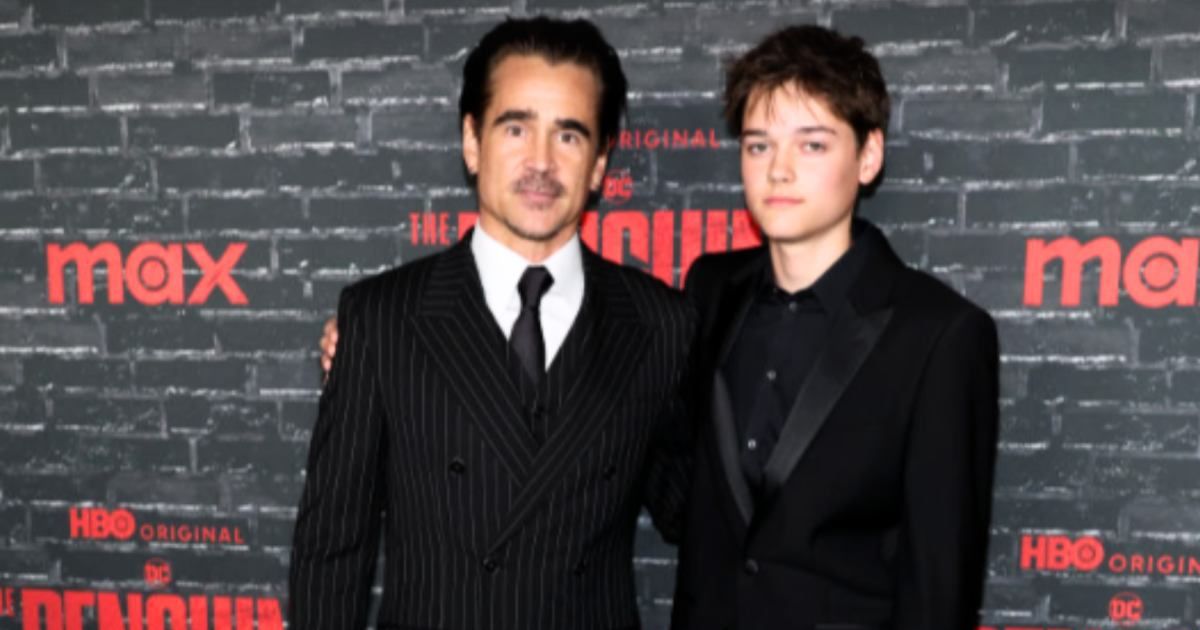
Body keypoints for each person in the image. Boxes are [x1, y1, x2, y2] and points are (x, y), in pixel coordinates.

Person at [289, 16, 693, 630]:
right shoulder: (381, 318)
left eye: (568, 135)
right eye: (516, 128)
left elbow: (690, 512)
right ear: (472, 142)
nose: (541, 162)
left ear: (599, 163)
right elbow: (332, 554)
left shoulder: (660, 323)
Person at [670, 25, 999, 630]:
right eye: (759, 146)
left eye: (813, 145)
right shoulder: (709, 291)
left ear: (868, 157)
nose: (779, 170)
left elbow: (938, 586)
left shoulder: (940, 335)